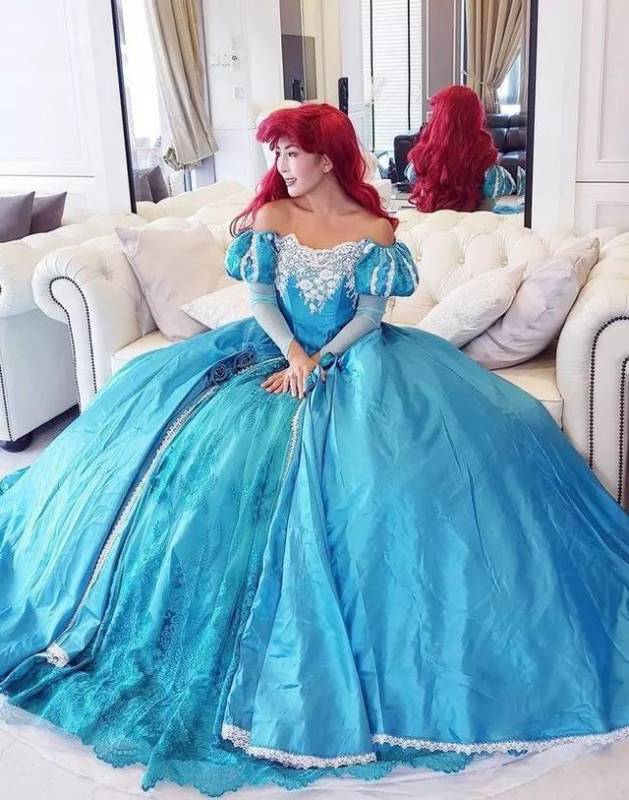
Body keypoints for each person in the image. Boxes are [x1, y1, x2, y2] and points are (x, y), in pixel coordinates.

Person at [0, 102, 628, 799]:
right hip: (271, 352)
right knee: (202, 457)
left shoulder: (376, 229)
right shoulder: (271, 218)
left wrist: (323, 359)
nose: (279, 165)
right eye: (275, 153)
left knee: (429, 463)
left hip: (360, 361)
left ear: (327, 157)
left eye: (290, 152)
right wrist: (295, 355)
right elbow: (261, 301)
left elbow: (370, 316)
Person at [406, 84, 515, 211]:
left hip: (431, 222)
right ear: (476, 117)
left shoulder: (417, 166)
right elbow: (507, 186)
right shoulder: (492, 174)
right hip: (478, 222)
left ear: (438, 118)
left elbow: (412, 176)